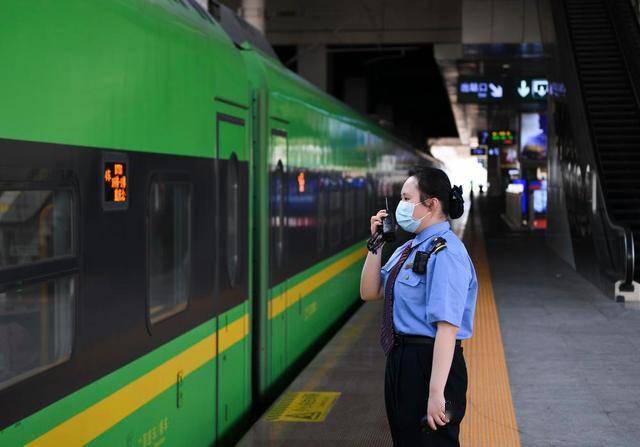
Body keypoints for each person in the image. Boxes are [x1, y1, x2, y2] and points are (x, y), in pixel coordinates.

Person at [360, 166, 478, 446]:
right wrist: (375, 244)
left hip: (429, 363)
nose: (399, 206)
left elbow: (447, 329)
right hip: (401, 360)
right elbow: (369, 291)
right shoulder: (410, 248)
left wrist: (437, 392)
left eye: (406, 198)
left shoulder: (446, 253)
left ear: (432, 204)